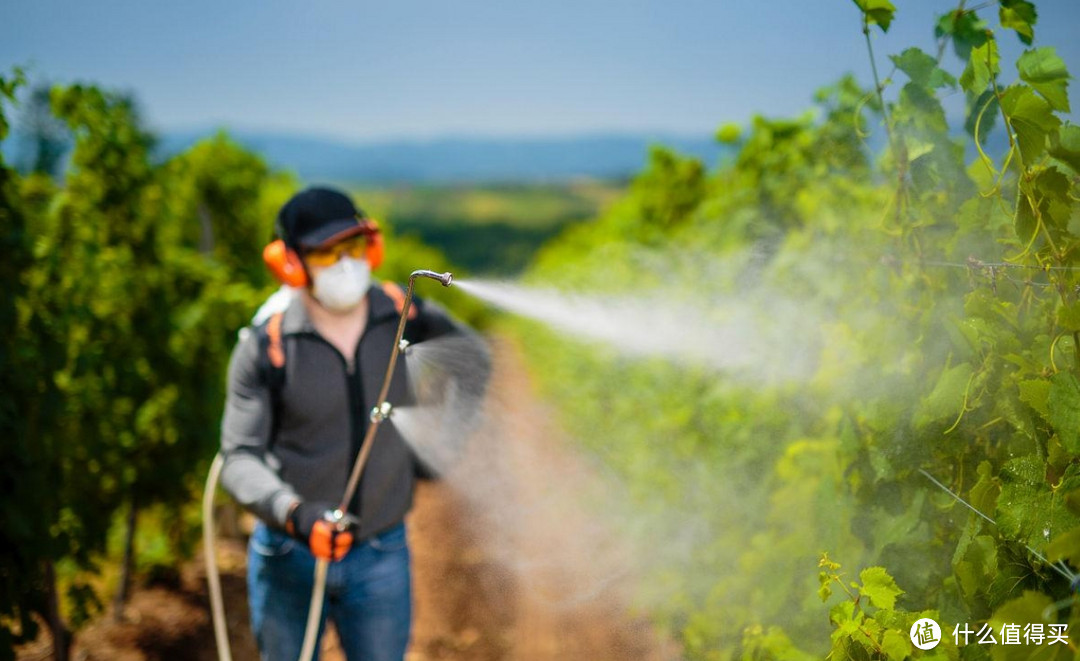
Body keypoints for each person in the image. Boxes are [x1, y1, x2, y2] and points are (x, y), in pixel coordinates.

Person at [219, 186, 487, 661]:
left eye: (354, 247)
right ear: (291, 264)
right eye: (325, 251)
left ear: (373, 248)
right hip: (290, 556)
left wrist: (441, 446)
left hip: (382, 549)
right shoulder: (267, 346)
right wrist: (295, 513)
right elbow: (238, 459)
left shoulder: (405, 316)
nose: (345, 263)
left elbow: (472, 359)